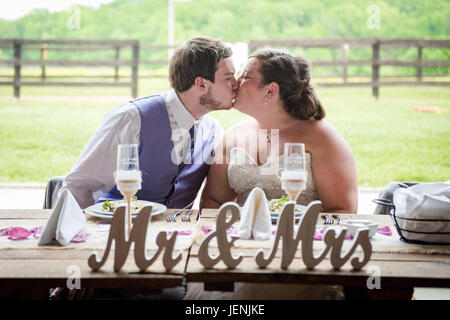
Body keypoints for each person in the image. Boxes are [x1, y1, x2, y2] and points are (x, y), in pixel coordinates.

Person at [186, 48, 357, 300]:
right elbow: (213, 201)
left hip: (299, 255)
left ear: (271, 90)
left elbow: (342, 211)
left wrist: (287, 239)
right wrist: (228, 242)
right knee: (201, 290)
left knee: (246, 294)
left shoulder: (322, 138)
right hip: (238, 249)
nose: (235, 82)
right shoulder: (233, 136)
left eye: (245, 77)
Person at [59, 37, 238, 210]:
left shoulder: (213, 130)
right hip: (118, 231)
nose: (236, 84)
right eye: (229, 78)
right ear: (201, 84)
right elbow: (78, 188)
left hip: (177, 235)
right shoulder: (131, 120)